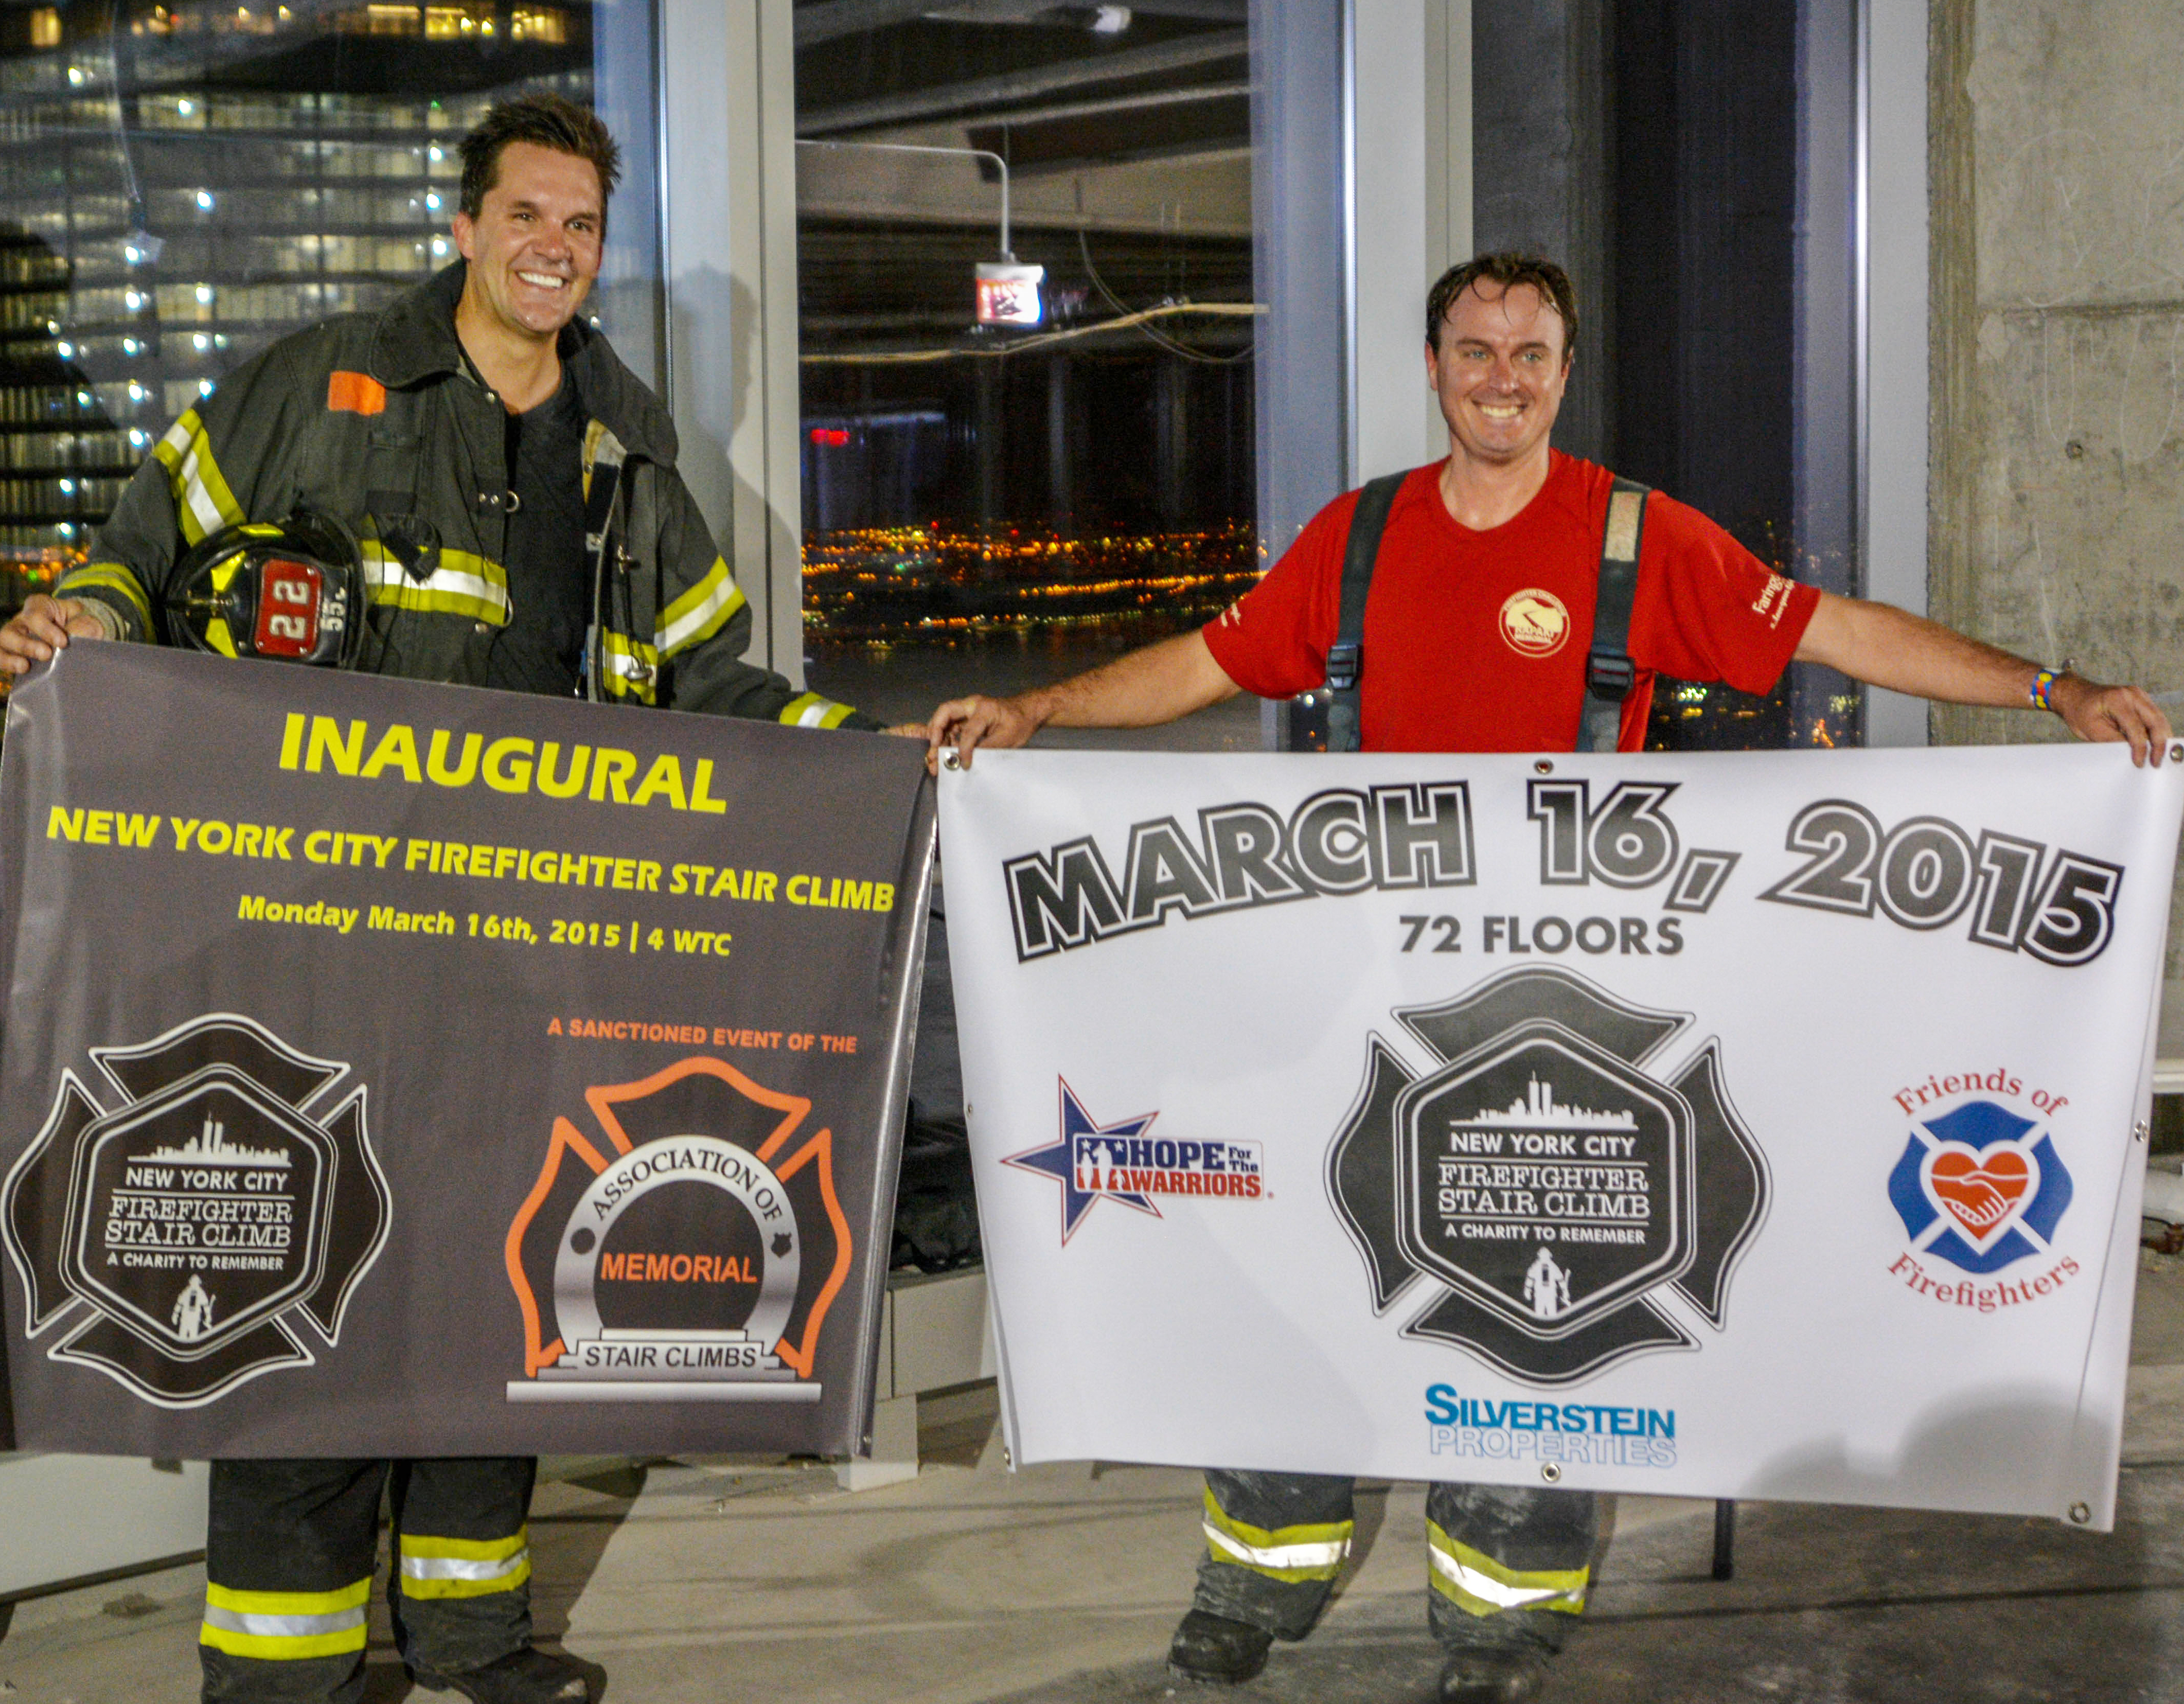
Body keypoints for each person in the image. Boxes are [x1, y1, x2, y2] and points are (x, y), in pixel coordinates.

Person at [924, 253, 2171, 1703]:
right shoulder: (1364, 536)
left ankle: (1501, 1617)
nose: (1502, 378)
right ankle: (1258, 1576)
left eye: (1531, 354)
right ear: (1436, 363)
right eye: (1475, 350)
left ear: (1564, 373)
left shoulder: (1636, 539)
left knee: (1530, 1295)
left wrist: (2050, 689)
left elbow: (1830, 630)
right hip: (1360, 989)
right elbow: (1211, 660)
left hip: (1559, 1011)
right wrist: (1038, 708)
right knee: (1309, 1257)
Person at [0, 93, 882, 1704]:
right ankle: (285, 1670)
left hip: (526, 969)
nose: (554, 249)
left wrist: (877, 766)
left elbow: (710, 689)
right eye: (527, 216)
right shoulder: (313, 390)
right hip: (302, 946)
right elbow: (138, 553)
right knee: (300, 1287)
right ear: (464, 227)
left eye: (583, 228)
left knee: (493, 1285)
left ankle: (475, 1634)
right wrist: (73, 621)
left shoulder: (625, 458)